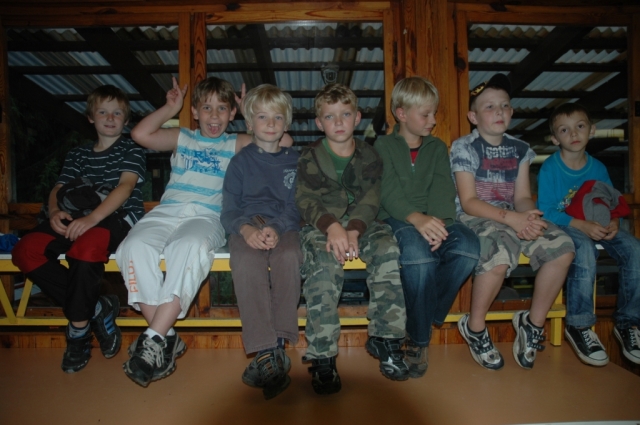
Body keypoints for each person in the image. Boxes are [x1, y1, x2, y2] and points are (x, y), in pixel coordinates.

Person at [115, 76, 260, 387]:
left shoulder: (235, 143)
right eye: (206, 108)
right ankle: (164, 336)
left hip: (207, 216)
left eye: (222, 108)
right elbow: (140, 133)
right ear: (194, 112)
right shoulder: (183, 137)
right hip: (167, 212)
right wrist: (170, 108)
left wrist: (250, 112)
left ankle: (155, 338)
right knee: (132, 247)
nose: (214, 115)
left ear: (232, 114)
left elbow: (279, 141)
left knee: (189, 247)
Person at [12, 85, 146, 373]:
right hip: (75, 216)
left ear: (126, 120)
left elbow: (125, 187)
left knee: (85, 249)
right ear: (90, 117)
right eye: (103, 112)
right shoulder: (78, 154)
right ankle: (96, 307)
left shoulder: (132, 149)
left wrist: (92, 219)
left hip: (117, 216)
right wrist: (55, 212)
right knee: (25, 250)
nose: (110, 118)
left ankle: (78, 330)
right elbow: (58, 188)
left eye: (117, 113)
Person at [450, 73, 575, 370]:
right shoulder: (464, 146)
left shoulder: (520, 149)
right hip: (475, 216)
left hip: (512, 214)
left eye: (504, 105)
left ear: (512, 111)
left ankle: (533, 323)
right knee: (500, 251)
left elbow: (522, 197)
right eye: (490, 107)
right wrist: (514, 220)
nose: (499, 111)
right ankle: (475, 327)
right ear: (473, 117)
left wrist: (529, 217)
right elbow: (468, 201)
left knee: (562, 246)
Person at [296, 83, 408, 395]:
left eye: (345, 114)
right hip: (321, 225)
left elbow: (372, 197)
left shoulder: (369, 155)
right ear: (319, 123)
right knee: (323, 266)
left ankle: (386, 338)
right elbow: (305, 199)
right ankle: (322, 356)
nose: (339, 122)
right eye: (330, 116)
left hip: (364, 223)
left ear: (357, 118)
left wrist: (355, 229)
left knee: (387, 250)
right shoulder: (309, 156)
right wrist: (332, 227)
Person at [374, 77, 480, 378]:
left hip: (435, 218)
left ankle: (418, 316)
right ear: (401, 114)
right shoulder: (382, 145)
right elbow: (386, 191)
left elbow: (443, 190)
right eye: (426, 114)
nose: (433, 120)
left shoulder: (436, 148)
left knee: (468, 248)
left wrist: (439, 226)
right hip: (396, 217)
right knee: (419, 258)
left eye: (434, 113)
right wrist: (416, 218)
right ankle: (419, 340)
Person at [537, 102, 640, 366]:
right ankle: (579, 325)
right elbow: (546, 211)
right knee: (584, 248)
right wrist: (581, 225)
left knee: (635, 249)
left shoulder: (599, 168)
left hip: (597, 223)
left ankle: (628, 323)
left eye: (580, 126)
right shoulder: (550, 167)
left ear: (592, 130)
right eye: (564, 129)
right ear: (555, 138)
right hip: (565, 225)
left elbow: (610, 202)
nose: (573, 133)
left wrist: (614, 222)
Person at [221, 84, 302, 399]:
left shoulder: (296, 161)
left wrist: (277, 227)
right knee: (245, 262)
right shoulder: (240, 162)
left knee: (289, 257)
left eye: (278, 117)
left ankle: (278, 342)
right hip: (247, 226)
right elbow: (229, 210)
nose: (270, 123)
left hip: (285, 225)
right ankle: (266, 350)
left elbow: (297, 205)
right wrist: (245, 230)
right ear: (249, 123)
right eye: (262, 117)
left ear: (287, 123)